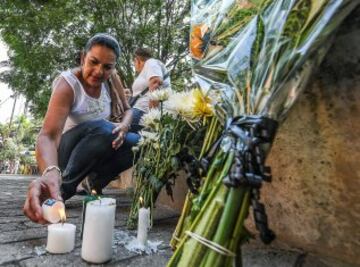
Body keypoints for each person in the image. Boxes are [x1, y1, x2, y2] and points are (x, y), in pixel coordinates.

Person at [23, 33, 139, 224]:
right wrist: (50, 172)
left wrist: (124, 126)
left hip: (97, 144)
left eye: (107, 67)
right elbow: (49, 136)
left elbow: (128, 110)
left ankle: (96, 183)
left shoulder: (112, 80)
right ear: (84, 57)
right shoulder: (68, 84)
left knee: (138, 142)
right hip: (66, 151)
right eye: (93, 62)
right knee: (103, 128)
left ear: (113, 67)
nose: (99, 71)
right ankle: (60, 189)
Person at [130, 48, 170, 132]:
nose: (134, 65)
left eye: (134, 62)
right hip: (141, 113)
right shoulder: (148, 69)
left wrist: (152, 117)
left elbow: (156, 83)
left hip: (142, 113)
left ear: (137, 60)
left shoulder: (151, 62)